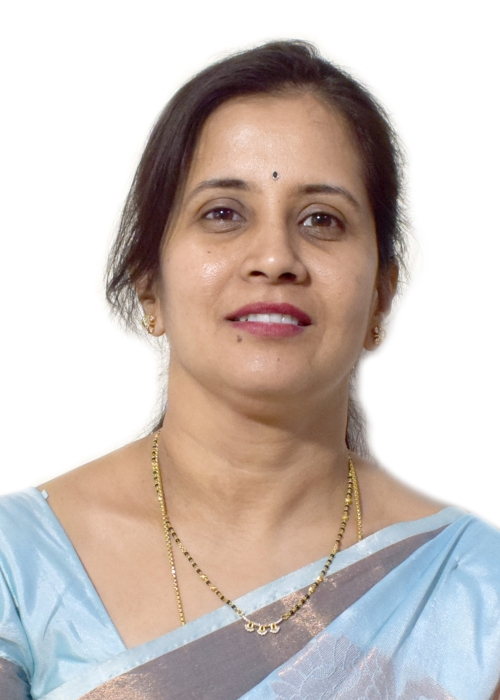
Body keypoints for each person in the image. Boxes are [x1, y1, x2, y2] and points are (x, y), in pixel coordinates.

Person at [0, 40, 499, 700]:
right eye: (223, 214)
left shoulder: (475, 596)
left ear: (381, 295)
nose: (275, 257)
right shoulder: (19, 570)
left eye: (322, 220)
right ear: (149, 285)